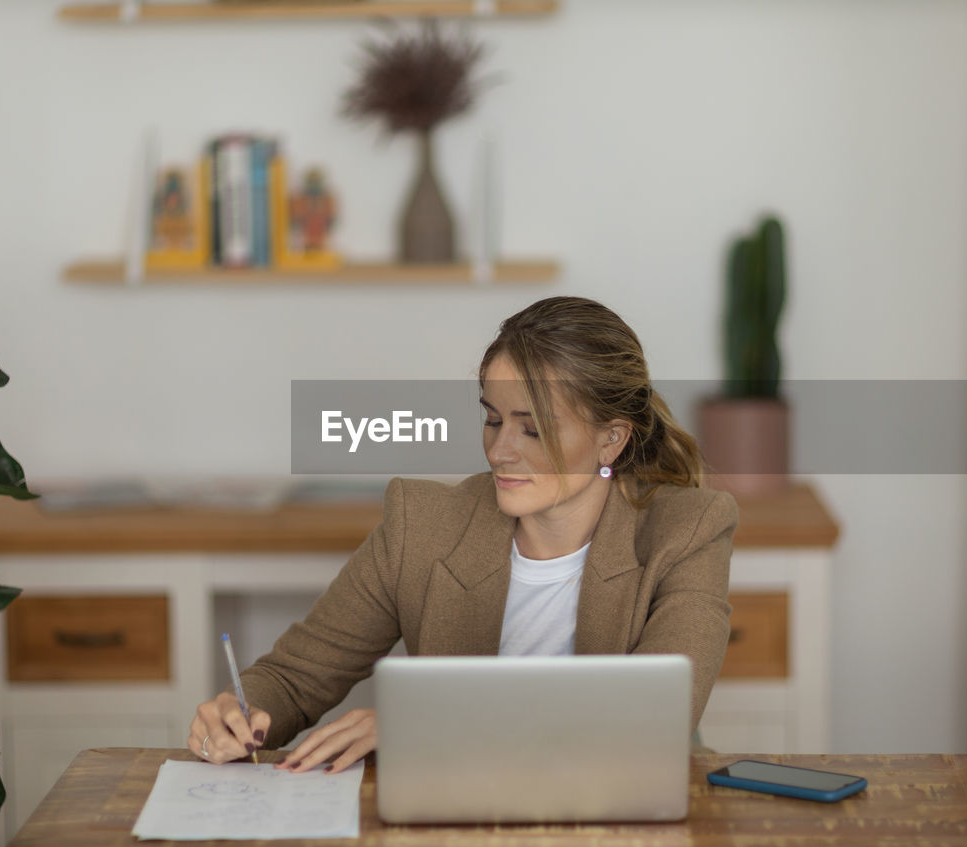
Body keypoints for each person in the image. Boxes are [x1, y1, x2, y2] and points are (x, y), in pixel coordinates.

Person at [188, 296, 739, 773]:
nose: (501, 450)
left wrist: (427, 724)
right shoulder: (421, 526)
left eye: (534, 428)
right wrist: (239, 714)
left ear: (610, 440)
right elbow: (293, 680)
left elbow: (653, 720)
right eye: (494, 420)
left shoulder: (688, 531)